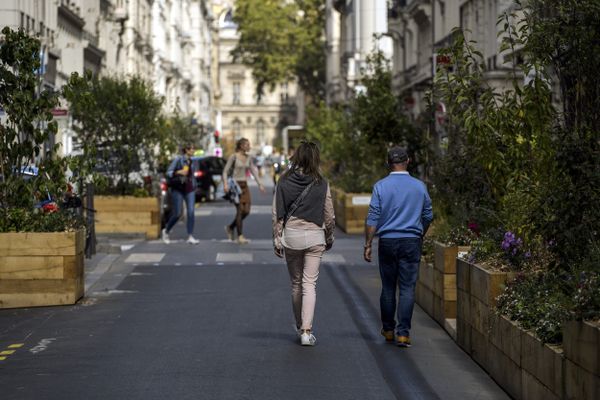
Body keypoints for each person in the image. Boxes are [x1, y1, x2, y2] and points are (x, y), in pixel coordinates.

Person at [363, 146, 433, 348]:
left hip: (388, 241)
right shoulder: (419, 186)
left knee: (387, 287)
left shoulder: (380, 186)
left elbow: (373, 217)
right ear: (408, 161)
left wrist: (368, 244)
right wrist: (420, 232)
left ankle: (388, 329)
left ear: (388, 163)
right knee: (407, 288)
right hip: (411, 240)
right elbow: (428, 215)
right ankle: (404, 334)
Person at [272, 141, 335, 346]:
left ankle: (300, 326)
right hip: (316, 236)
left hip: (292, 236)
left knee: (296, 284)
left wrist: (277, 237)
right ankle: (307, 332)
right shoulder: (322, 183)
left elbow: (277, 213)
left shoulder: (283, 181)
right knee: (310, 284)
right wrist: (329, 236)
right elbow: (329, 215)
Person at [223, 138, 266, 244]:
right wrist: (225, 184)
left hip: (244, 185)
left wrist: (260, 184)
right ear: (241, 146)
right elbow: (225, 171)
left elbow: (253, 171)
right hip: (235, 186)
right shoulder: (233, 157)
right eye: (247, 145)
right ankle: (240, 236)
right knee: (239, 210)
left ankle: (230, 227)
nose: (249, 146)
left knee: (246, 211)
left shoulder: (248, 157)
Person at [162, 144, 200, 245]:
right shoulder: (178, 160)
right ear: (186, 150)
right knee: (177, 214)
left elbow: (192, 175)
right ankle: (166, 231)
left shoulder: (193, 161)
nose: (193, 151)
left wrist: (194, 186)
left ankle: (190, 236)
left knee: (191, 212)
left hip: (189, 189)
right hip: (178, 189)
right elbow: (169, 172)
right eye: (192, 149)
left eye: (193, 149)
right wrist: (179, 172)